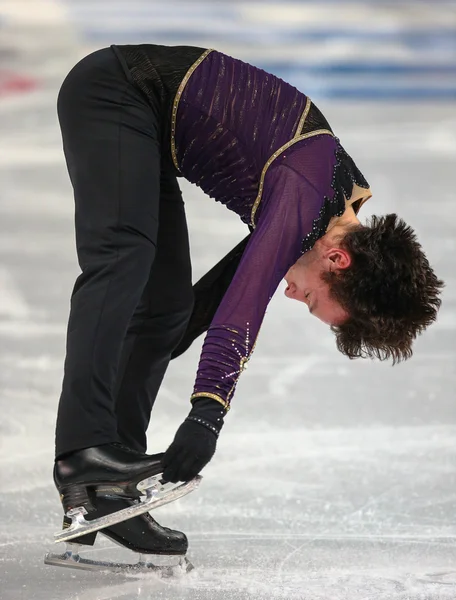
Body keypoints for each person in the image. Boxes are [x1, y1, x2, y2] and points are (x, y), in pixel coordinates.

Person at [50, 44, 443, 568]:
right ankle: (82, 452)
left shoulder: (336, 205)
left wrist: (179, 331)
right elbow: (245, 303)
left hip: (144, 122)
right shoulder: (308, 192)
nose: (292, 293)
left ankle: (109, 491)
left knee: (165, 308)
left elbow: (233, 284)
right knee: (122, 259)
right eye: (312, 298)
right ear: (338, 260)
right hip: (116, 91)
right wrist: (208, 413)